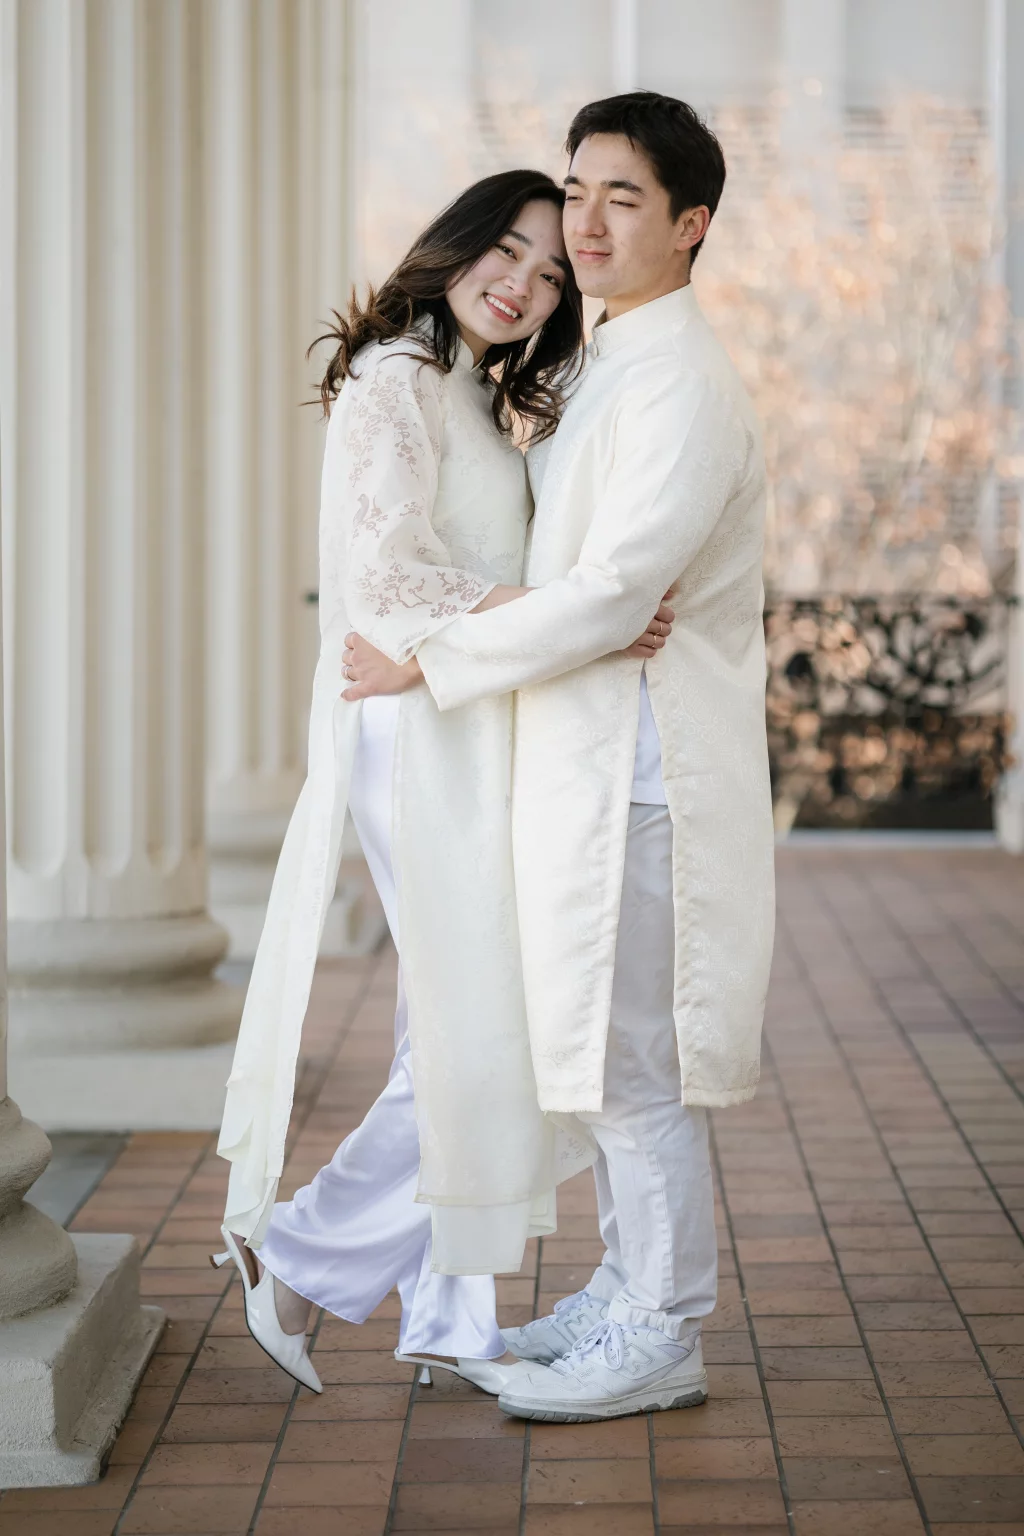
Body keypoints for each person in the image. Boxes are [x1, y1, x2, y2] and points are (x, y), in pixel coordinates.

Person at [341, 91, 776, 1422]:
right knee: (590, 1053)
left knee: (635, 1064)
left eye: (623, 199)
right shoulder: (607, 365)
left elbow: (608, 591)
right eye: (576, 190)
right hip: (586, 762)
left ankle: (665, 1327)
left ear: (690, 226)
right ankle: (621, 1285)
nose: (583, 222)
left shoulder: (684, 383)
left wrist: (429, 658)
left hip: (648, 770)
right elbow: (568, 580)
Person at [214, 169, 673, 1397]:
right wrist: (581, 617)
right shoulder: (391, 381)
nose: (523, 283)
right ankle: (299, 1255)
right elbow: (392, 582)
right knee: (484, 1026)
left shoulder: (470, 392)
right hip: (416, 739)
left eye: (551, 272)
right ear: (458, 246)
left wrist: (547, 624)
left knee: (459, 1023)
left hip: (464, 719)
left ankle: (449, 1311)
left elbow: (440, 585)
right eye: (508, 252)